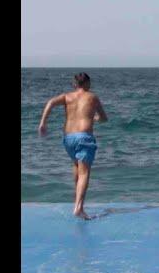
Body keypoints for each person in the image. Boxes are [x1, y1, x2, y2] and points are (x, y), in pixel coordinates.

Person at [38, 72, 108, 219]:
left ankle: (76, 202)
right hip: (84, 138)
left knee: (77, 166)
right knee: (84, 173)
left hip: (68, 139)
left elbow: (50, 102)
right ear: (88, 84)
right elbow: (104, 118)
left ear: (75, 84)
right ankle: (79, 208)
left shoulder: (66, 96)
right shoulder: (92, 97)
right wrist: (95, 118)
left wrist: (43, 123)